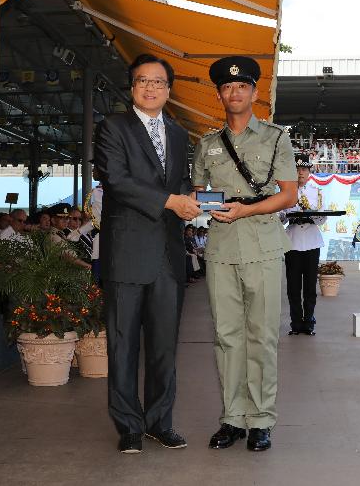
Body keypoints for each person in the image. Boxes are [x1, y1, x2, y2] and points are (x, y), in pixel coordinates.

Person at [94, 53, 200, 454]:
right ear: (132, 87)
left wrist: (189, 196)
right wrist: (171, 201)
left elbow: (181, 179)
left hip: (168, 257)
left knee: (164, 348)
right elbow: (117, 181)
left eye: (158, 82)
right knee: (123, 346)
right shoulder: (113, 127)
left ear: (169, 89)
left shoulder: (177, 133)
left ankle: (160, 422)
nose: (150, 87)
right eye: (143, 81)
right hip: (127, 253)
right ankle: (129, 427)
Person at [192, 56, 297, 452]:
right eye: (226, 87)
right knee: (226, 337)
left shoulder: (275, 138)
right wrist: (199, 204)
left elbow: (289, 194)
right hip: (220, 249)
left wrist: (246, 209)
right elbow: (200, 194)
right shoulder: (206, 144)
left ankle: (261, 420)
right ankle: (233, 418)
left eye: (241, 87)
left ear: (254, 92)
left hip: (265, 247)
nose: (234, 93)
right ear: (219, 94)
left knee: (262, 336)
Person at [279, 154, 326, 336]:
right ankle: (295, 322)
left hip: (312, 241)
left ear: (309, 172)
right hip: (292, 241)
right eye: (297, 169)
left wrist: (309, 213)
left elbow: (322, 219)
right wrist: (286, 214)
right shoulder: (286, 192)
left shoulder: (316, 191)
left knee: (309, 286)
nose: (301, 173)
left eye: (304, 169)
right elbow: (281, 218)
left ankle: (309, 321)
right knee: (293, 286)